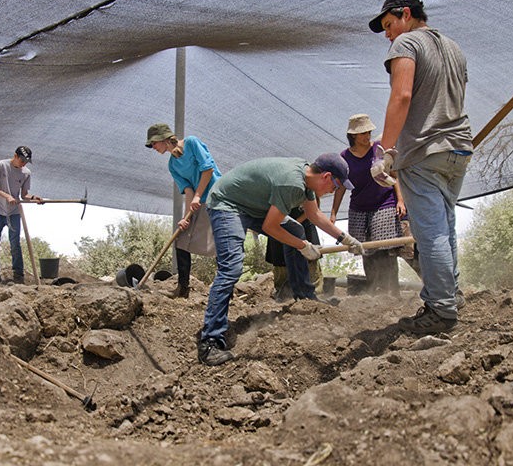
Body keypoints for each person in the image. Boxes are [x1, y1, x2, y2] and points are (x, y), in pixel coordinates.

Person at [369, 0, 473, 333]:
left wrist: (385, 151)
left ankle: (441, 311)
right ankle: (450, 295)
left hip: (425, 152)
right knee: (445, 226)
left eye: (388, 25)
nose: (387, 35)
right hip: (457, 149)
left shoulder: (407, 44)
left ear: (407, 14)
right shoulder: (454, 49)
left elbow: (402, 96)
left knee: (430, 235)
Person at [199, 153, 365, 366]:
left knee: (295, 228)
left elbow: (314, 216)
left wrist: (345, 238)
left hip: (251, 205)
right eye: (336, 186)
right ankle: (210, 341)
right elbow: (270, 227)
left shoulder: (306, 182)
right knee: (231, 266)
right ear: (326, 176)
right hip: (227, 204)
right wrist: (303, 246)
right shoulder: (292, 184)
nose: (334, 192)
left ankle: (305, 298)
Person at [330, 114, 405, 296]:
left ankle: (392, 291)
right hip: (359, 207)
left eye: (369, 132)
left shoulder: (378, 151)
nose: (367, 136)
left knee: (386, 248)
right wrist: (333, 214)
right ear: (353, 135)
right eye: (363, 133)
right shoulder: (344, 157)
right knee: (365, 249)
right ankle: (374, 290)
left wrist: (401, 201)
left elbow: (395, 177)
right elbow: (340, 187)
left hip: (384, 203)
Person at [146, 123, 221, 299]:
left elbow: (208, 170)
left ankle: (225, 288)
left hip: (216, 198)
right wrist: (184, 218)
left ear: (163, 139)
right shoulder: (173, 164)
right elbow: (188, 190)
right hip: (198, 202)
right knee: (181, 238)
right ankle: (183, 288)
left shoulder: (192, 143)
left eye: (154, 143)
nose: (153, 147)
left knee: (220, 243)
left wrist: (198, 196)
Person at [0, 146, 43, 284]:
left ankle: (18, 274)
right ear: (15, 156)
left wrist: (34, 197)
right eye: (22, 160)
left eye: (26, 162)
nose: (23, 164)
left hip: (14, 213)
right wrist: (7, 196)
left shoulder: (26, 173)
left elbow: (24, 195)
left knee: (15, 245)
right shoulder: (1, 166)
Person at [266, 205, 323, 301]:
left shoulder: (305, 191)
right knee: (281, 263)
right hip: (277, 226)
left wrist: (294, 224)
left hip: (304, 224)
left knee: (310, 261)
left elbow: (313, 208)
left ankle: (315, 298)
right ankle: (283, 298)